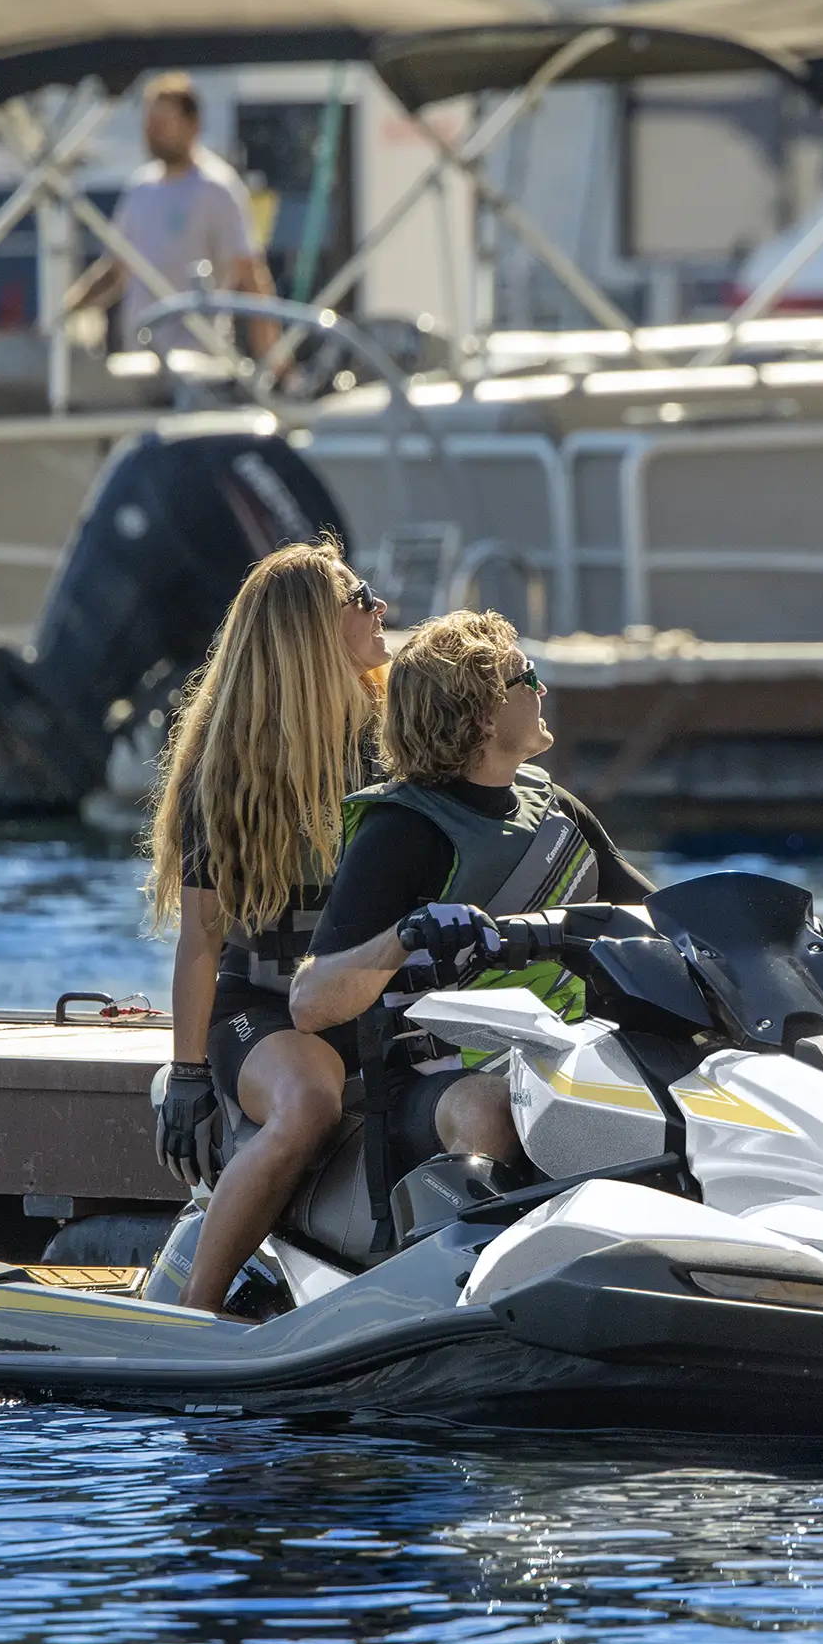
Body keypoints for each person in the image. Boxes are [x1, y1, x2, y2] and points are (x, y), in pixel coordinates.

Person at [280, 612, 654, 1182]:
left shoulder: (558, 811)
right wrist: (404, 935)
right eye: (526, 676)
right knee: (493, 1109)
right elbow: (310, 1003)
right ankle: (469, 1265)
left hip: (570, 1053)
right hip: (437, 1082)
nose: (541, 688)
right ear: (482, 715)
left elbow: (658, 913)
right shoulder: (401, 832)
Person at [147, 540, 388, 1314]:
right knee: (310, 1104)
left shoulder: (393, 743)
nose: (380, 607)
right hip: (266, 1012)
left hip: (377, 1009)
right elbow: (202, 941)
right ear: (312, 632)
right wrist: (187, 1077)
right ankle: (193, 1315)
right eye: (361, 597)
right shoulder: (231, 769)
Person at [71, 73, 271, 350]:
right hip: (140, 357)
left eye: (162, 123)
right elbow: (116, 270)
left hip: (199, 363)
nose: (152, 133)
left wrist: (275, 362)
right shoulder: (141, 188)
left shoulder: (217, 188)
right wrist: (67, 312)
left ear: (192, 125)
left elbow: (250, 276)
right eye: (149, 124)